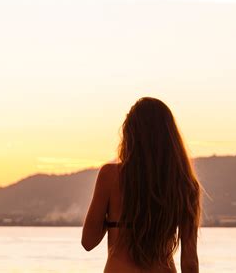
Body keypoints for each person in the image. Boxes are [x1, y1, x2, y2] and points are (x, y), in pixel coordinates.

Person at [81, 97, 201, 273]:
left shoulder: (110, 176)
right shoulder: (184, 185)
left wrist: (113, 218)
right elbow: (190, 262)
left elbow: (88, 242)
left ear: (130, 134)